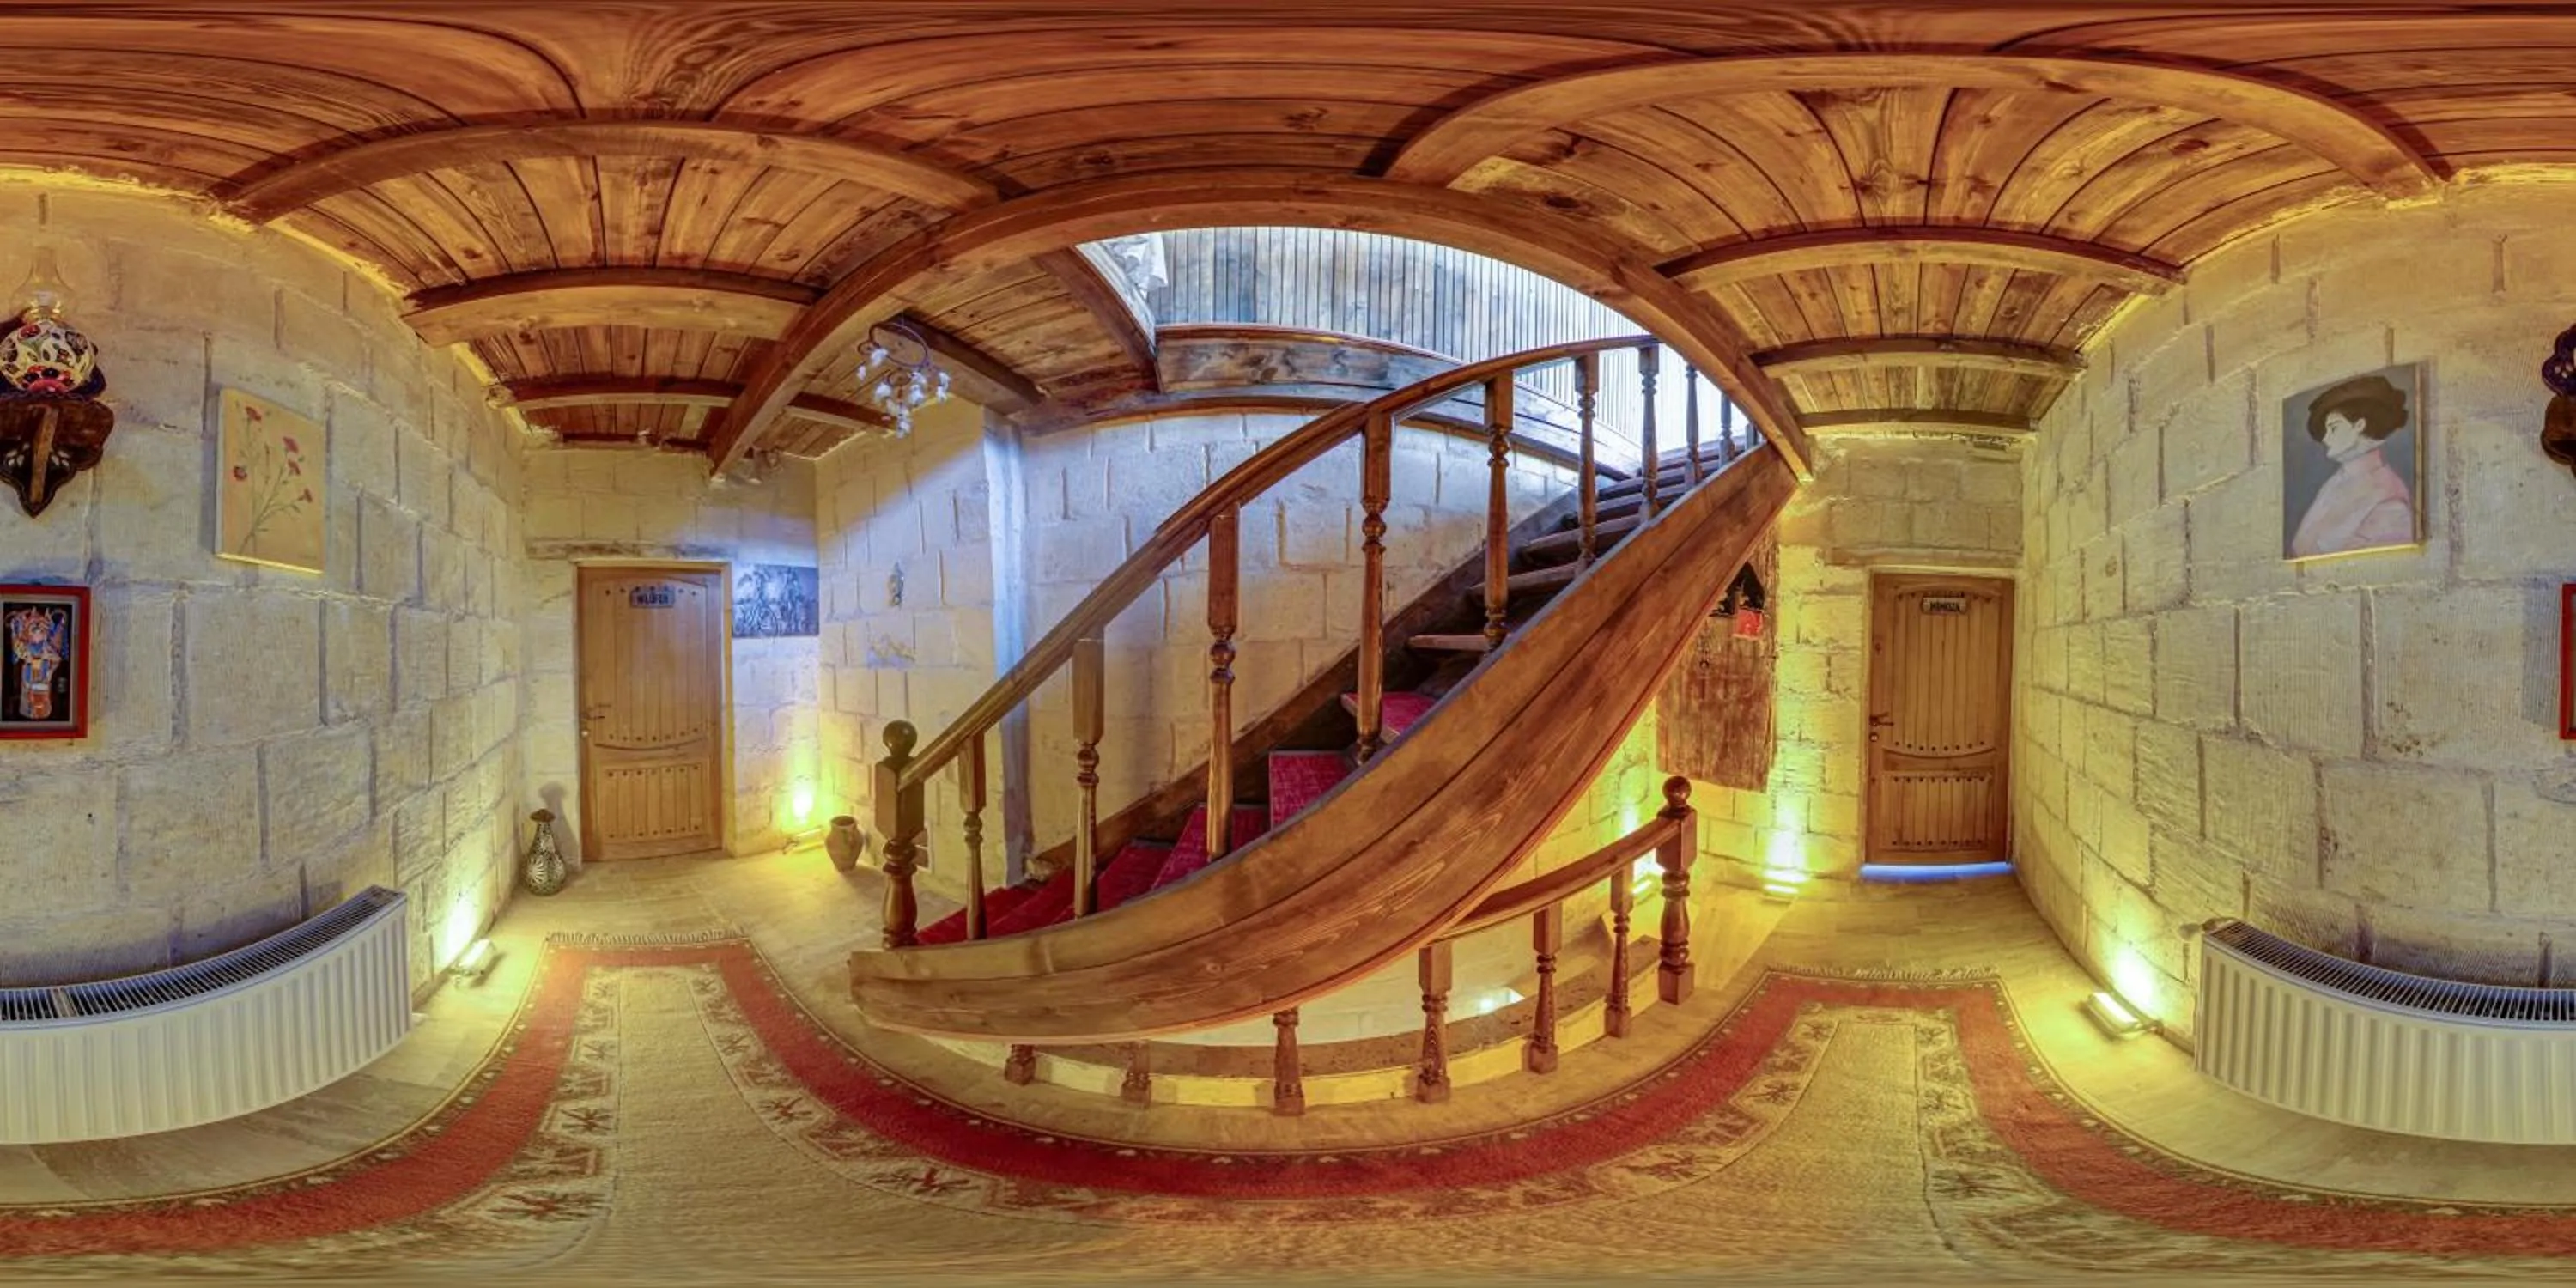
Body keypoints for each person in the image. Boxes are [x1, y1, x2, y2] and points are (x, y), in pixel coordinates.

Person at [2288, 374, 2415, 559]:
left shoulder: (2389, 499)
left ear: (2360, 425)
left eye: (2334, 428)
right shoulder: (2336, 482)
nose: (2325, 438)